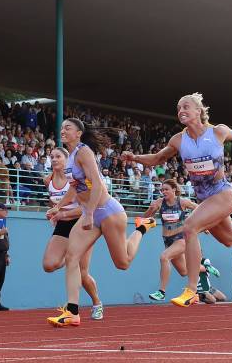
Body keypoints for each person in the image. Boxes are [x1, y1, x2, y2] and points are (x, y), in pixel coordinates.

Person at [122, 93, 232, 307]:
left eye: (186, 106)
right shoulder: (178, 140)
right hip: (206, 200)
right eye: (178, 108)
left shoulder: (217, 132)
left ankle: (191, 289)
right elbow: (158, 158)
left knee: (189, 227)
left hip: (223, 195)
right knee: (230, 239)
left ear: (199, 111)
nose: (181, 111)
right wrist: (135, 158)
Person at [45, 118, 156, 327]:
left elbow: (97, 184)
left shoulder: (83, 151)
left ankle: (141, 227)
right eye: (61, 128)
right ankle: (72, 311)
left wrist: (88, 214)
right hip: (91, 212)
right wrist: (58, 206)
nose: (63, 130)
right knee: (71, 257)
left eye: (67, 128)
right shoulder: (70, 159)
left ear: (78, 133)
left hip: (107, 212)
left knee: (122, 263)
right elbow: (74, 188)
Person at [43, 147, 103, 320]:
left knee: (82, 273)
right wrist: (53, 213)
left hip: (81, 223)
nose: (54, 159)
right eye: (51, 157)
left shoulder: (75, 179)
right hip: (62, 224)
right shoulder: (49, 180)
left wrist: (63, 213)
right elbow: (55, 202)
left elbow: (85, 207)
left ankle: (97, 303)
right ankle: (70, 257)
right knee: (49, 264)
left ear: (67, 159)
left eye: (58, 156)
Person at [144, 179, 198, 301]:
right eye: (162, 190)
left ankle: (161, 291)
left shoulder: (182, 202)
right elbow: (144, 218)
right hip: (167, 240)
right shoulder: (159, 202)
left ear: (174, 189)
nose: (163, 192)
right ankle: (205, 266)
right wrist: (151, 210)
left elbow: (200, 209)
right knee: (184, 271)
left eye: (166, 189)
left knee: (164, 257)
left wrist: (200, 224)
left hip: (181, 239)